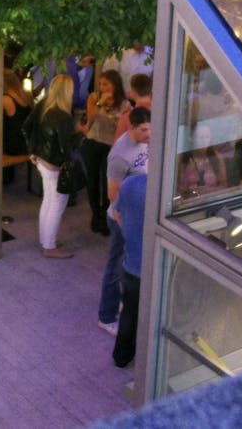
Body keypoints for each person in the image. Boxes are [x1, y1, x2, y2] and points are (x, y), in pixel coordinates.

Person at [98, 107, 150, 337]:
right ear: (132, 127)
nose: (149, 133)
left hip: (137, 215)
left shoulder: (145, 142)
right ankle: (106, 316)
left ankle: (120, 302)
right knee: (116, 267)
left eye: (150, 128)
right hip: (122, 218)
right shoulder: (119, 155)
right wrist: (124, 221)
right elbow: (113, 193)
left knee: (126, 263)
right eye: (144, 130)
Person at [23, 74, 81, 259]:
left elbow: (26, 127)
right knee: (56, 204)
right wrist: (82, 133)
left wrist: (32, 150)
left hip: (41, 161)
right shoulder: (63, 116)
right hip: (55, 165)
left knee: (48, 202)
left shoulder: (43, 105)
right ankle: (49, 246)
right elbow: (68, 146)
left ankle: (46, 240)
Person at [78, 70, 127, 236]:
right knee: (92, 180)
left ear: (115, 84)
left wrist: (116, 120)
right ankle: (95, 215)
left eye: (106, 84)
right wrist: (99, 103)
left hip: (110, 146)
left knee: (107, 183)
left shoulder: (124, 103)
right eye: (101, 83)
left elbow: (124, 128)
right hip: (92, 142)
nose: (102, 87)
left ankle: (106, 216)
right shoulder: (93, 97)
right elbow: (90, 120)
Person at [111, 170, 148, 368]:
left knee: (129, 312)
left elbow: (118, 215)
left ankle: (121, 356)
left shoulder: (131, 184)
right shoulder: (166, 195)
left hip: (131, 262)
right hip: (151, 267)